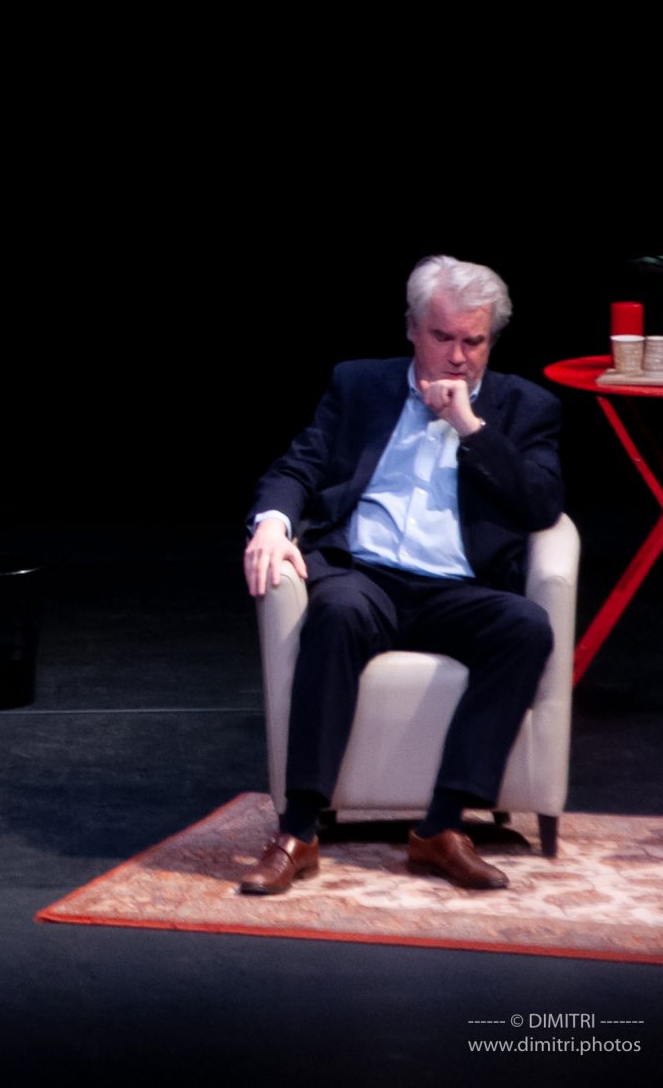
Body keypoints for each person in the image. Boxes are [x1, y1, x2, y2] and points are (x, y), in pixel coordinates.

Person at [237, 255, 562, 895]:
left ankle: (441, 827)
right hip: (367, 577)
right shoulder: (360, 386)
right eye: (443, 337)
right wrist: (272, 523)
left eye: (474, 341)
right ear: (413, 329)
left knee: (527, 627)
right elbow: (298, 467)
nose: (459, 356)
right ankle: (298, 832)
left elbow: (541, 505)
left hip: (460, 590)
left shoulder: (527, 406)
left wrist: (470, 428)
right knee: (336, 611)